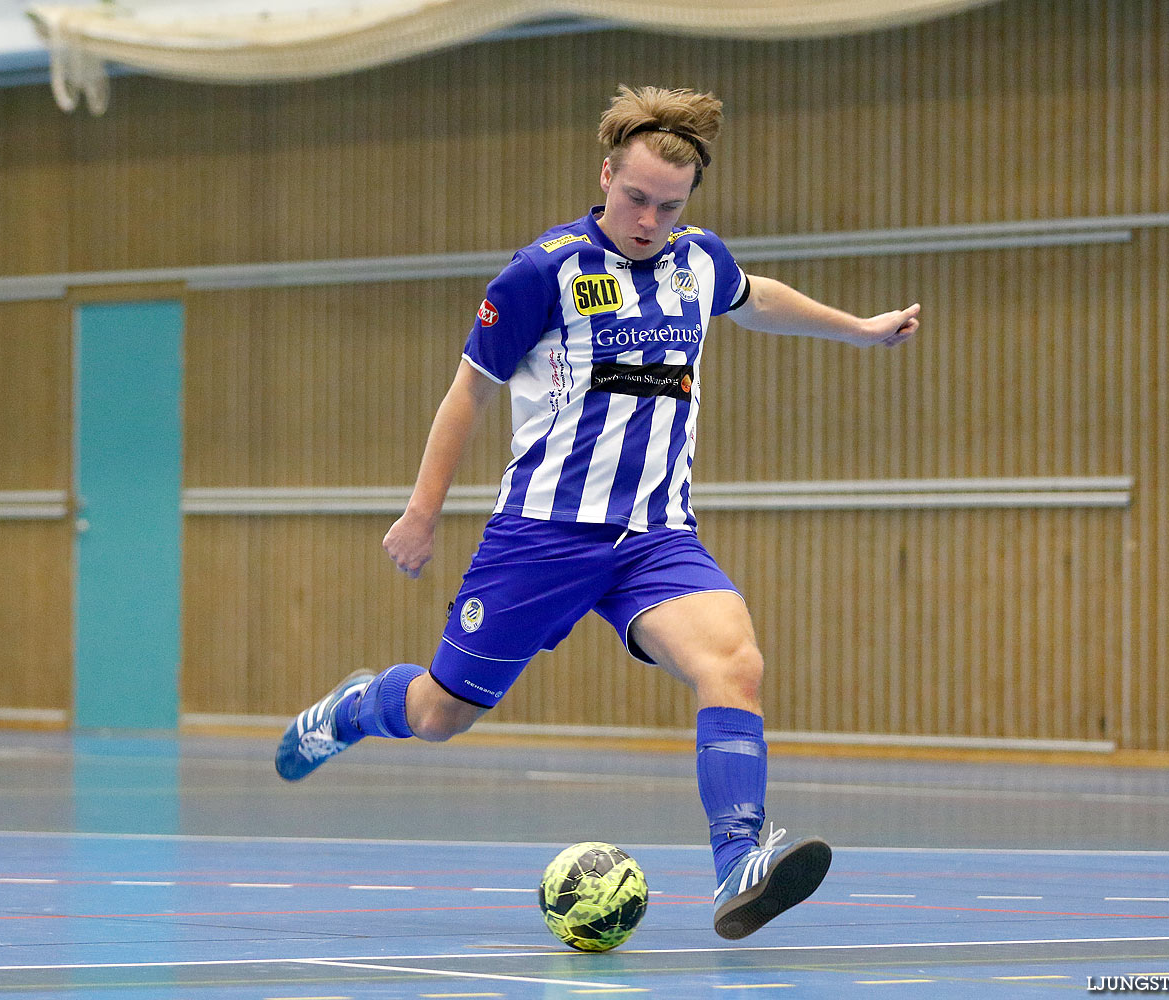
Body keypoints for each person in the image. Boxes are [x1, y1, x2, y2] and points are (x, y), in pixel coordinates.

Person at [275, 84, 920, 940]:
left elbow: (755, 296)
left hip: (656, 538)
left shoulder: (699, 261)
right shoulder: (544, 272)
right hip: (541, 538)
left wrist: (861, 329)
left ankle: (740, 862)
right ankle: (356, 706)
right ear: (606, 175)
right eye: (636, 198)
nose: (650, 218)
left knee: (735, 663)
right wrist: (422, 512)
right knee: (439, 714)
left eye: (669, 205)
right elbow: (470, 387)